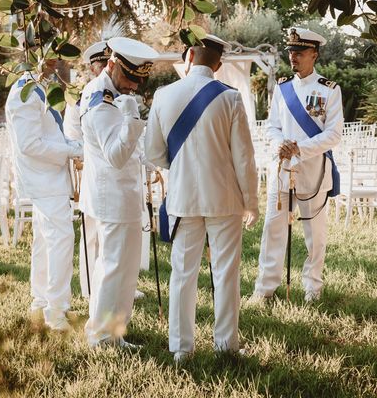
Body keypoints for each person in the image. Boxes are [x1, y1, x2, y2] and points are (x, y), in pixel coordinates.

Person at [145, 34, 258, 362]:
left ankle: (181, 349)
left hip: (182, 198)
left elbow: (153, 153)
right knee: (225, 273)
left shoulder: (163, 95)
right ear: (218, 65)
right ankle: (226, 346)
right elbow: (244, 158)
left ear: (189, 56)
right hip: (224, 199)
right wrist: (251, 201)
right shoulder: (230, 98)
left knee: (182, 273)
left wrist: (180, 169)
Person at [253, 27, 343, 303]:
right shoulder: (282, 88)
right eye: (291, 52)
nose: (294, 57)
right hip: (281, 168)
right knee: (273, 230)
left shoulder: (329, 90)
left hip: (313, 170)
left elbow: (334, 133)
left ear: (314, 54)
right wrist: (280, 144)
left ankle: (312, 287)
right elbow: (271, 126)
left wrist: (299, 150)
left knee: (314, 234)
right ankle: (265, 288)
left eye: (300, 52)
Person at [79, 36, 158, 348]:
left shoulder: (113, 93)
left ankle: (114, 332)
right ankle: (101, 336)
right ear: (112, 64)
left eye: (139, 80)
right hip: (111, 196)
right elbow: (115, 155)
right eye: (129, 77)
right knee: (114, 269)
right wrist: (132, 120)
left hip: (121, 194)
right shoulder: (101, 101)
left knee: (123, 271)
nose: (133, 87)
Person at [5, 57, 82, 331]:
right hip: (44, 180)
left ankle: (41, 302)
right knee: (61, 240)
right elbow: (29, 144)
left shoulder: (37, 88)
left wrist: (73, 144)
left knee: (45, 242)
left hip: (48, 179)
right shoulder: (24, 92)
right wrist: (70, 151)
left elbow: (49, 135)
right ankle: (56, 311)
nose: (56, 63)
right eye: (51, 56)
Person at [63, 40, 109, 299]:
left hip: (116, 173)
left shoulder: (120, 96)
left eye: (107, 64)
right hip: (89, 173)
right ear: (93, 68)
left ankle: (115, 282)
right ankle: (90, 286)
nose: (104, 69)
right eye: (100, 65)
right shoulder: (78, 100)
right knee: (91, 234)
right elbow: (73, 140)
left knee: (113, 235)